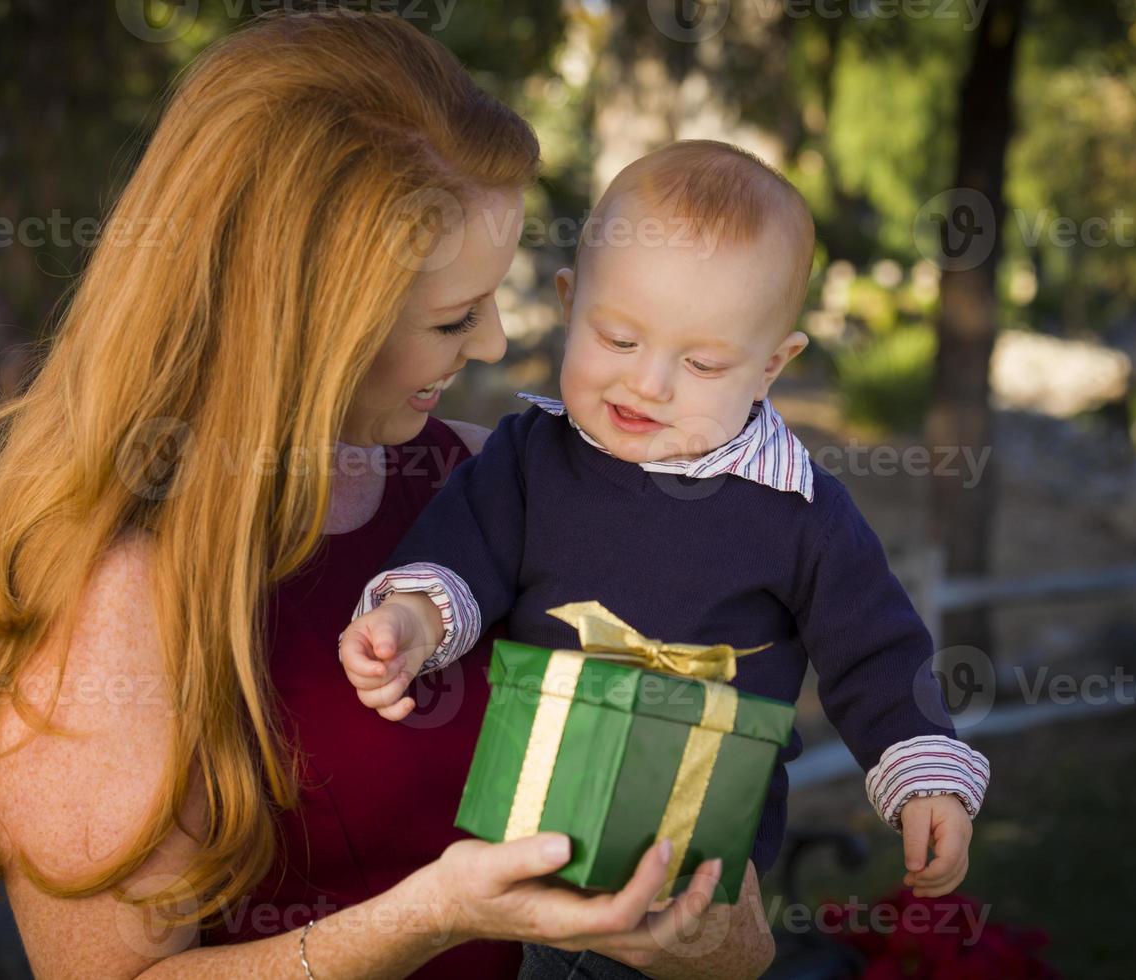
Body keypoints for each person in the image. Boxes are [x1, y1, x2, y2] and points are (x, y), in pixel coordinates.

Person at [0, 14, 775, 980]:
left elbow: (715, 917)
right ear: (309, 320)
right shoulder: (114, 591)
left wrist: (704, 933)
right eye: (455, 315)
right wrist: (429, 916)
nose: (495, 345)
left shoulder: (491, 484)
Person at [340, 142, 992, 977]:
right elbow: (461, 552)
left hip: (695, 869)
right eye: (616, 338)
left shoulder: (798, 512)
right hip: (528, 832)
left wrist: (921, 775)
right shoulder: (533, 458)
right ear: (571, 306)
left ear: (771, 367)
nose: (647, 384)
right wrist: (410, 619)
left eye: (702, 363)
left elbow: (876, 654)